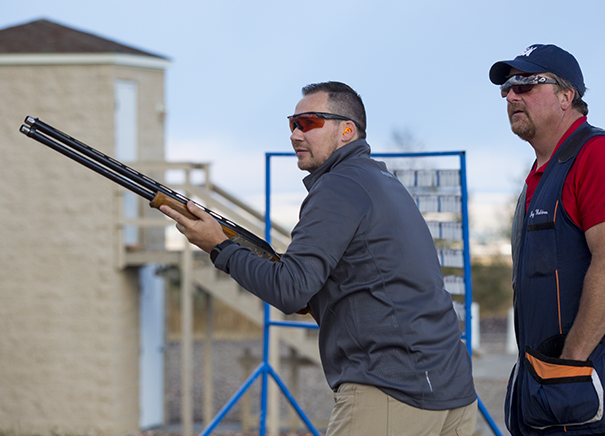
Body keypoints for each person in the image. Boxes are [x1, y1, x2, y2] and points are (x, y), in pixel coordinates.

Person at [160, 81, 477, 436]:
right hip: (452, 388)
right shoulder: (380, 181)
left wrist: (220, 247)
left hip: (392, 391)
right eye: (292, 124)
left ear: (346, 130)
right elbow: (365, 280)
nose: (296, 134)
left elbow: (289, 290)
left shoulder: (338, 186)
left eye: (308, 122)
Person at [489, 44, 605, 435]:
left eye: (528, 83)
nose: (512, 94)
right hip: (546, 387)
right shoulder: (540, 173)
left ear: (567, 96)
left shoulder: (601, 154)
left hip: (586, 389)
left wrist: (569, 367)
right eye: (507, 88)